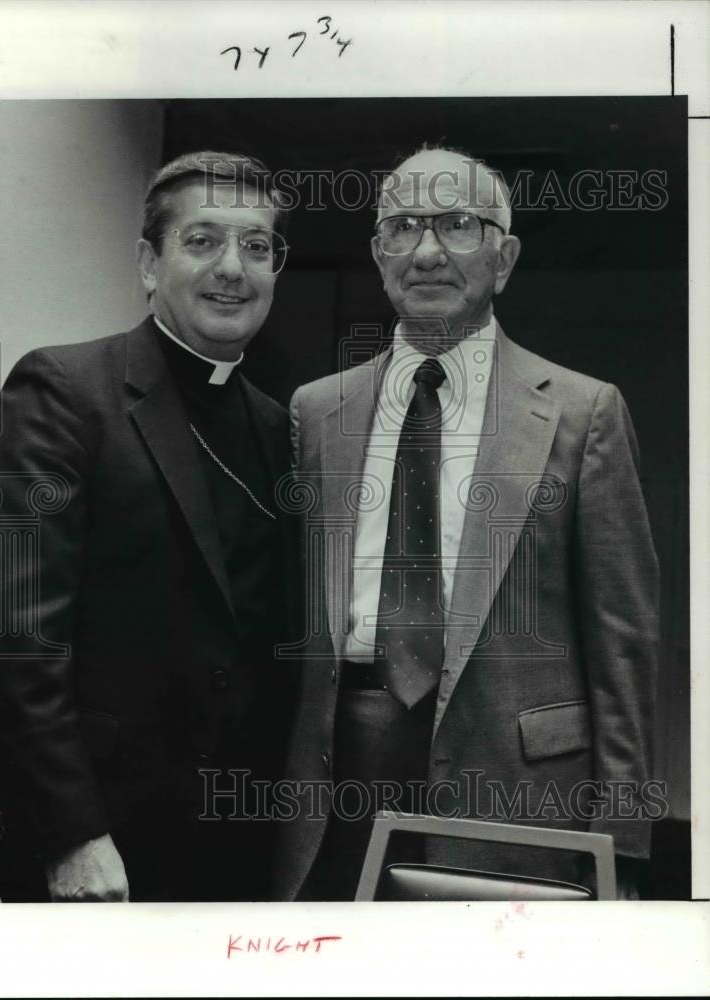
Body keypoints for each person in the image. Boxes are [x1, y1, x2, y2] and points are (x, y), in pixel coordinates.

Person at [275, 146, 658, 901]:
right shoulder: (317, 411)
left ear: (503, 257)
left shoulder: (582, 413)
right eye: (403, 226)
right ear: (378, 254)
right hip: (338, 772)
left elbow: (625, 648)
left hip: (516, 783)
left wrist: (622, 849)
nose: (426, 251)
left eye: (456, 225)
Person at [0, 150, 296, 902]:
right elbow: (11, 635)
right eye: (202, 240)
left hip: (237, 847)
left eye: (256, 246)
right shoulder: (63, 391)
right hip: (96, 846)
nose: (232, 269)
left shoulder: (278, 427)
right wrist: (71, 836)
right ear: (149, 263)